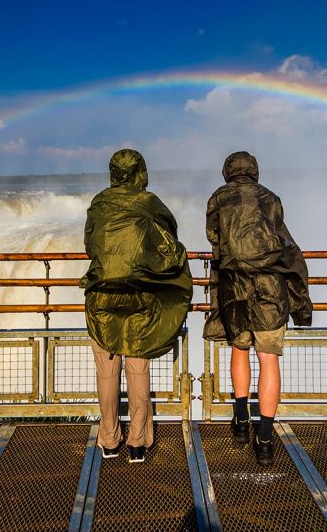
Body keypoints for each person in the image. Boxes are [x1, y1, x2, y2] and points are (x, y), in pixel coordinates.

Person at [81, 149, 193, 463]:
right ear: (140, 172)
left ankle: (109, 439)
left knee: (106, 371)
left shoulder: (99, 203)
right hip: (141, 296)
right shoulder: (148, 203)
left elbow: (90, 245)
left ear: (113, 172)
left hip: (102, 296)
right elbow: (170, 238)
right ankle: (139, 442)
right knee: (137, 367)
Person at [204, 151, 312, 466]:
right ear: (254, 171)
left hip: (234, 286)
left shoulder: (218, 198)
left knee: (239, 351)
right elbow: (283, 243)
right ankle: (264, 438)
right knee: (269, 360)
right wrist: (301, 301)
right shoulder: (271, 198)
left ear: (227, 171)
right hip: (270, 290)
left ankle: (240, 418)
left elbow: (213, 236)